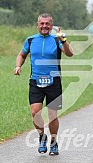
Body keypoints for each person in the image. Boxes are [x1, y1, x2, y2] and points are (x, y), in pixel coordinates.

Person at [13, 13, 73, 155]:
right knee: (35, 113)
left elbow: (69, 54)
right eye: (42, 23)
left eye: (47, 24)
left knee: (52, 115)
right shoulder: (30, 40)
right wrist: (18, 66)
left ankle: (53, 142)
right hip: (35, 81)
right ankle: (42, 137)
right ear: (37, 25)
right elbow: (21, 55)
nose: (44, 26)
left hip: (54, 82)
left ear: (51, 26)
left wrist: (63, 40)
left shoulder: (57, 39)